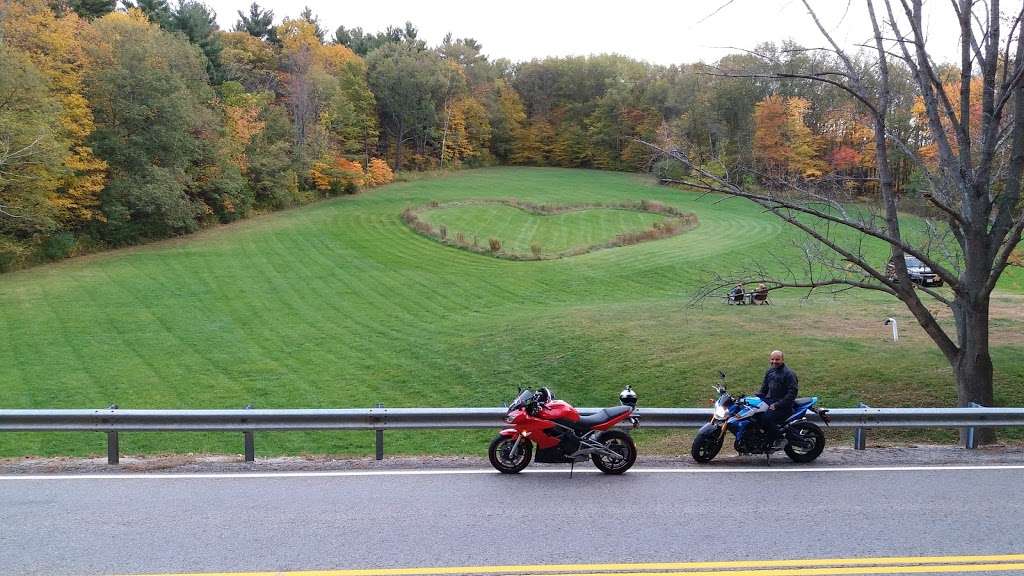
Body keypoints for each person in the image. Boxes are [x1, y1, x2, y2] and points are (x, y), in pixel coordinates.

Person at [756, 350, 798, 447]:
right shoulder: (770, 371)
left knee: (765, 418)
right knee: (755, 416)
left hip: (784, 406)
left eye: (777, 359)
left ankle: (780, 439)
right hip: (771, 401)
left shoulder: (789, 374)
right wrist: (756, 397)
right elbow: (764, 388)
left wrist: (777, 405)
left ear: (782, 360)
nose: (774, 361)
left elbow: (792, 393)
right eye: (772, 359)